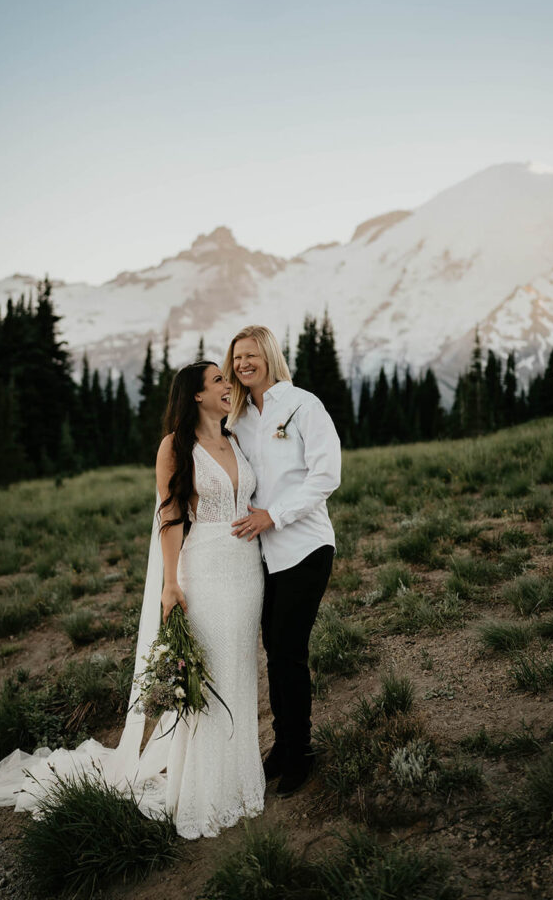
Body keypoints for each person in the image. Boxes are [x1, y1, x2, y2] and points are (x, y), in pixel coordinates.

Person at [0, 360, 265, 840]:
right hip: (204, 570)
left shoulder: (238, 439)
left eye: (228, 379)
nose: (230, 385)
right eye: (219, 381)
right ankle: (201, 790)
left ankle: (240, 780)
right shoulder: (174, 446)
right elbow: (170, 515)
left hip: (247, 572)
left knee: (241, 671)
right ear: (196, 396)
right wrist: (170, 583)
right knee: (209, 678)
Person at [223, 325, 341, 797]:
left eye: (251, 355)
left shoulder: (303, 405)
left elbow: (327, 475)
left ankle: (301, 752)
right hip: (264, 556)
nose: (243, 364)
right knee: (275, 649)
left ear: (269, 356)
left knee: (288, 649)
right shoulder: (240, 418)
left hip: (306, 546)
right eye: (236, 359)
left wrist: (276, 515)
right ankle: (283, 746)